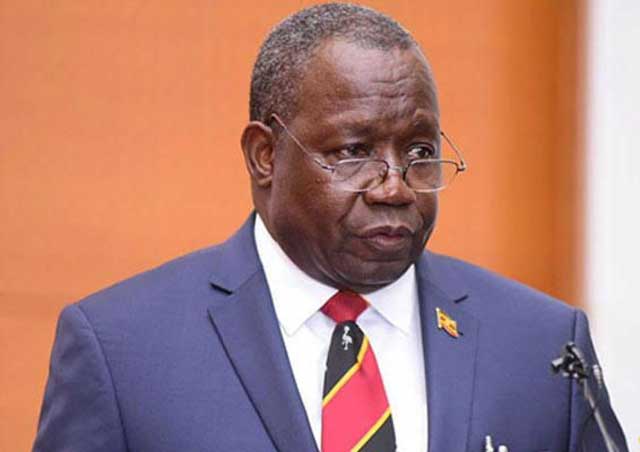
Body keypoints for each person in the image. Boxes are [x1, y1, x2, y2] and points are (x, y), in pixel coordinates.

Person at [33, 3, 627, 452]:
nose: (394, 187)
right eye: (353, 151)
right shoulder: (123, 352)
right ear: (265, 155)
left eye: (419, 152)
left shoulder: (541, 346)